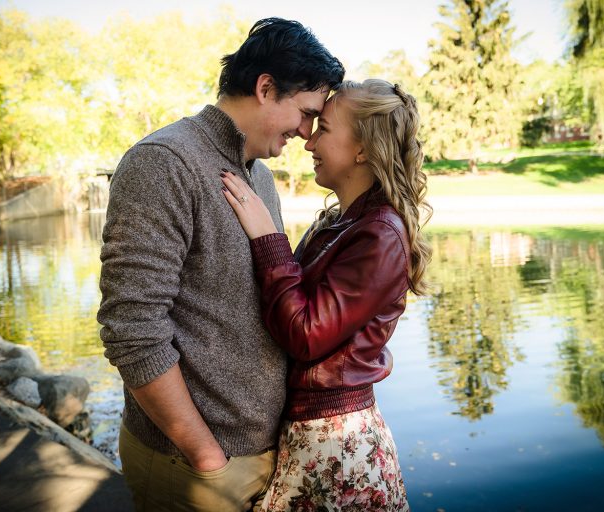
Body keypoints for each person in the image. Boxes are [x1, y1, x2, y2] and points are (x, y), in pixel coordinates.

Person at [97, 18, 344, 511]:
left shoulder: (261, 177)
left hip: (256, 459)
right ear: (266, 87)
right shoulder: (164, 162)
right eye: (304, 112)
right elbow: (131, 329)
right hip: (194, 468)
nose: (306, 131)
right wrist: (205, 456)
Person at [220, 79, 431, 510]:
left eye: (325, 129)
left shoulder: (380, 234)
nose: (308, 140)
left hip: (336, 444)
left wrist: (269, 239)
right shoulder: (343, 222)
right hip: (313, 432)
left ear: (363, 150)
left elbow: (306, 334)